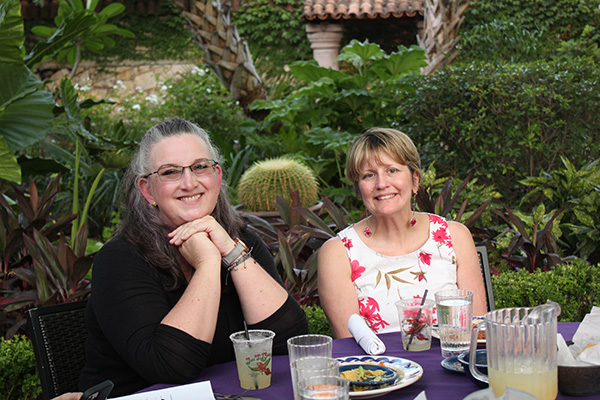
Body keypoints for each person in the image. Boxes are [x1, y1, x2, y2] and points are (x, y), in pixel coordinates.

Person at [79, 118, 308, 396]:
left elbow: (288, 341)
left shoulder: (241, 242)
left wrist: (231, 253)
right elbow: (171, 366)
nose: (189, 183)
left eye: (201, 167)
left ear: (218, 176)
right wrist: (208, 263)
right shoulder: (119, 260)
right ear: (147, 190)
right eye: (170, 172)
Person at [318, 127, 487, 339]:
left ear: (415, 180)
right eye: (369, 175)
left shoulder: (455, 237)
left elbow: (479, 333)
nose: (381, 184)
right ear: (359, 188)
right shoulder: (338, 253)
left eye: (392, 171)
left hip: (454, 366)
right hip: (379, 370)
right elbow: (349, 345)